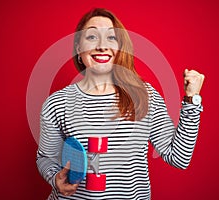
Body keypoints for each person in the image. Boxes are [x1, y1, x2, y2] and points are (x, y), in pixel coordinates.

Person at [36, 8, 205, 200]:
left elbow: (179, 158)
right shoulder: (56, 103)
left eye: (111, 37)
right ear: (78, 48)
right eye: (91, 36)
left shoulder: (144, 96)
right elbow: (45, 158)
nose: (102, 46)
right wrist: (54, 178)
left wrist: (192, 100)